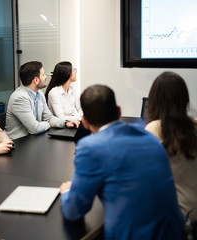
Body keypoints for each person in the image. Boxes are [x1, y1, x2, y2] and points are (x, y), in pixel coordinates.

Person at [59, 84, 184, 239]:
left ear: (84, 122)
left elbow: (74, 211)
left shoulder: (90, 147)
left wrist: (67, 192)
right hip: (174, 232)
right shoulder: (149, 137)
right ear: (118, 111)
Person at [145, 71, 197, 219]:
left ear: (154, 100)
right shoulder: (194, 127)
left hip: (175, 217)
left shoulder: (154, 128)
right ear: (184, 99)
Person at [5, 61, 79, 140]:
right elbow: (35, 128)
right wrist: (48, 124)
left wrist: (65, 123)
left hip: (34, 139)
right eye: (43, 75)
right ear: (36, 80)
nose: (46, 77)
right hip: (19, 143)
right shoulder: (19, 98)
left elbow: (49, 118)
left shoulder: (39, 93)